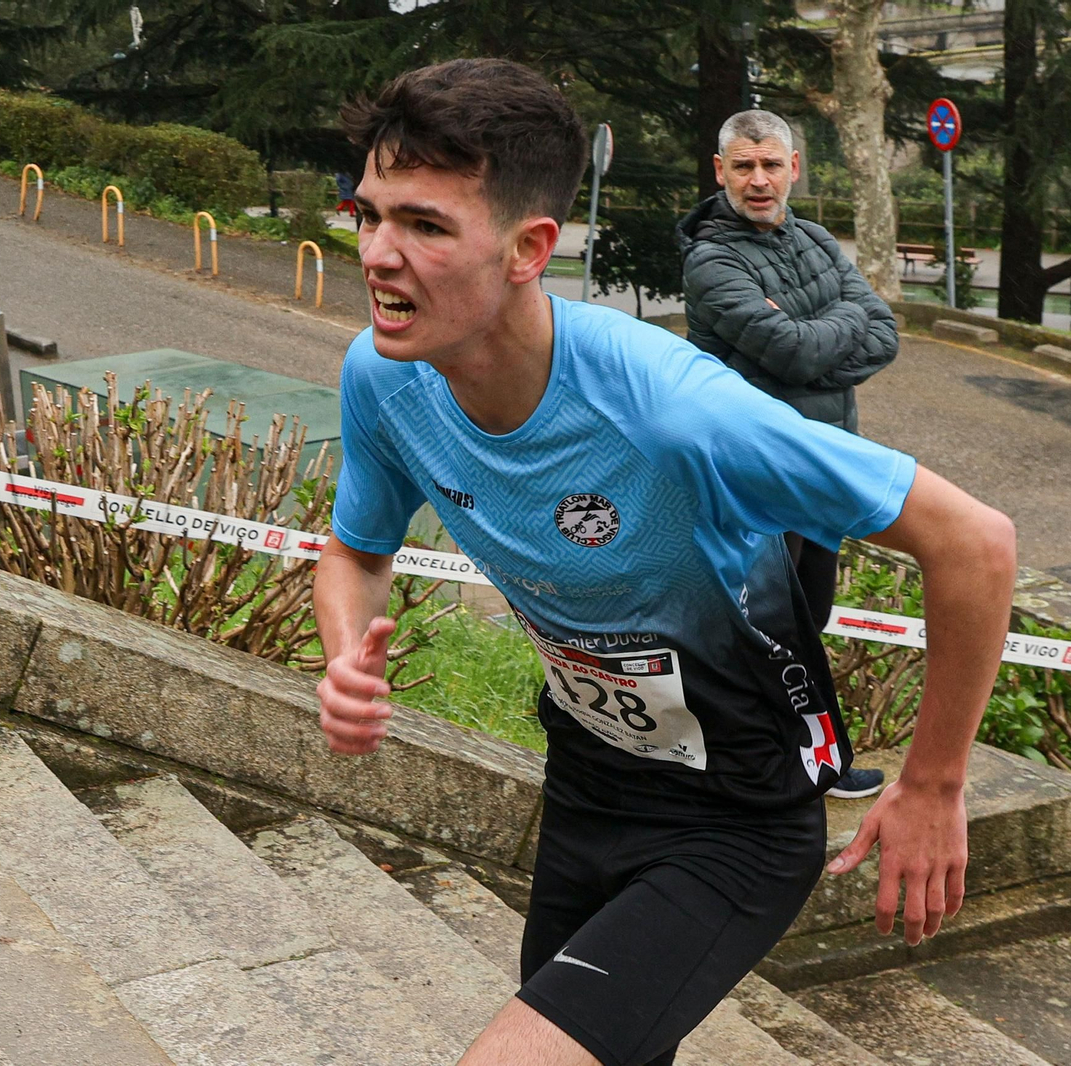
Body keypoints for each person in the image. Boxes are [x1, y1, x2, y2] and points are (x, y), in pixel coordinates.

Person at [314, 58, 1015, 1066]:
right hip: (590, 781)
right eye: (369, 215)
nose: (378, 255)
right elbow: (353, 549)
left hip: (734, 817)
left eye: (424, 226)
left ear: (528, 247)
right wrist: (345, 654)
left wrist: (933, 784)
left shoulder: (670, 406)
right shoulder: (384, 377)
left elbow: (975, 542)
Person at [676, 110, 900, 800]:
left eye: (771, 164)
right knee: (758, 639)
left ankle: (811, 766)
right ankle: (760, 776)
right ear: (721, 172)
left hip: (823, 468)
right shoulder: (713, 258)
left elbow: (885, 332)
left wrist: (810, 334)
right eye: (743, 166)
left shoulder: (815, 239)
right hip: (756, 479)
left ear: (794, 167)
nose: (759, 179)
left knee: (811, 622)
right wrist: (834, 328)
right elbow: (796, 352)